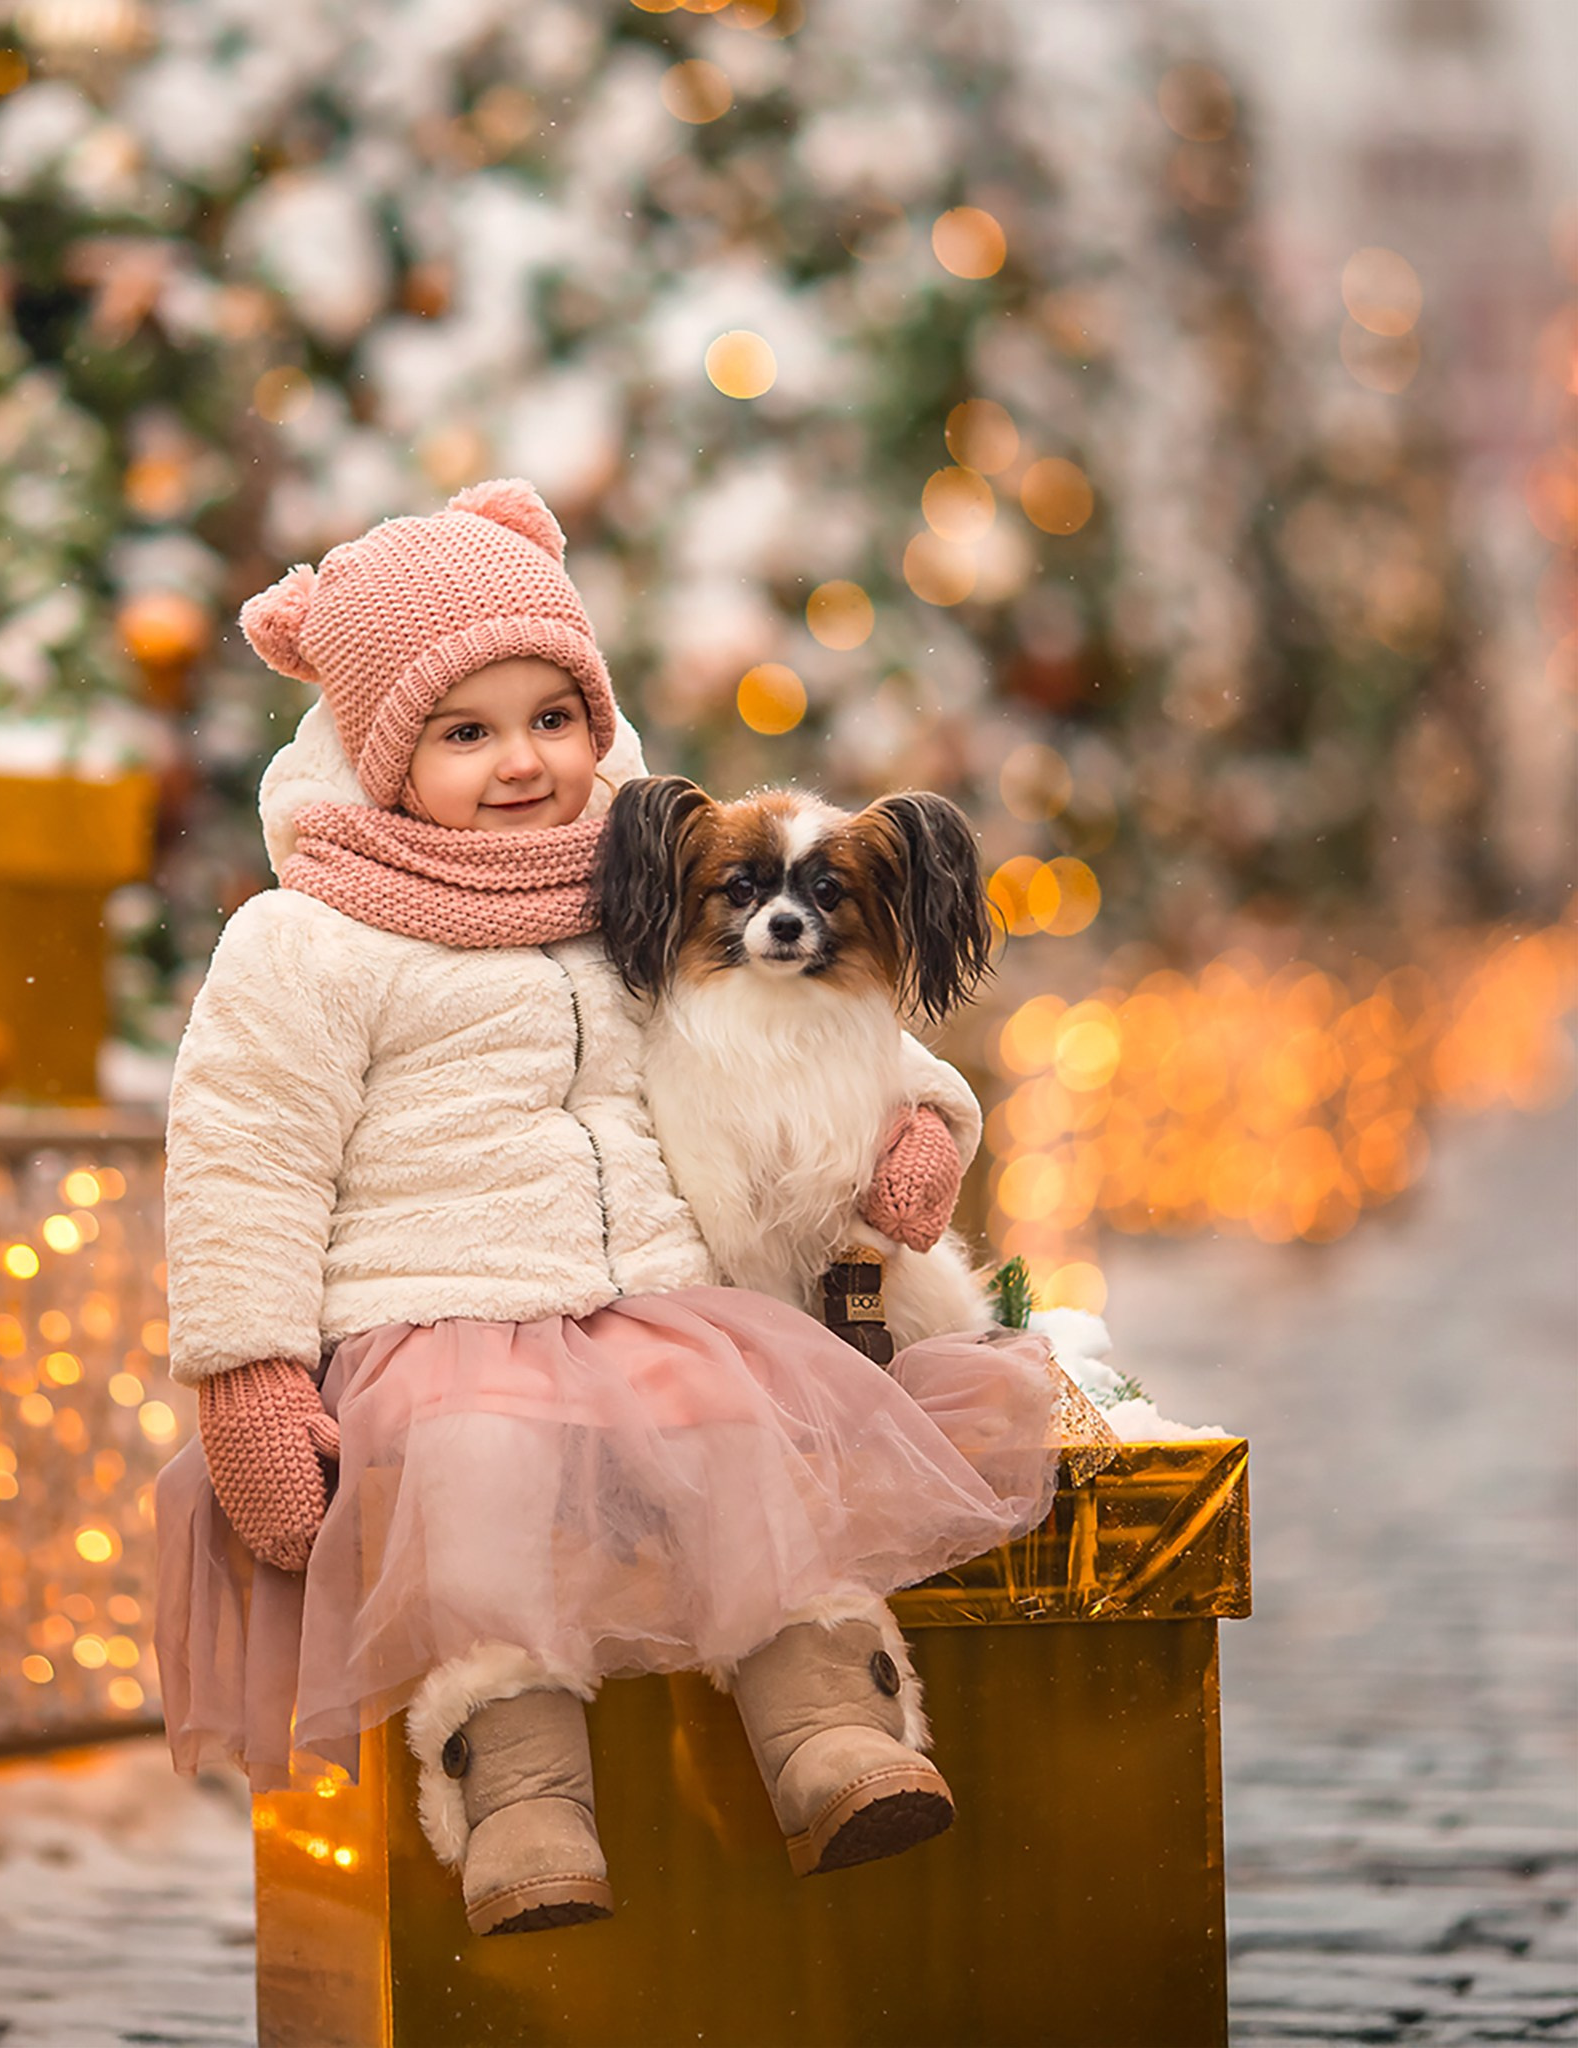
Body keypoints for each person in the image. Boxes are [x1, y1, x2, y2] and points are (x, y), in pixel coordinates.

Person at [154, 479, 1060, 1937]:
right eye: (466, 732)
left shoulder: (628, 893)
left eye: (552, 721)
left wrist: (923, 1121)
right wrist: (248, 1369)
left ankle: (832, 1734)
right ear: (379, 757)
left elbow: (813, 1032)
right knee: (479, 1501)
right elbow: (244, 1155)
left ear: (598, 727)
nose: (522, 762)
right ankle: (522, 1809)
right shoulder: (307, 940)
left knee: (748, 1457)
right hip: (432, 1319)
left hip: (653, 1304)